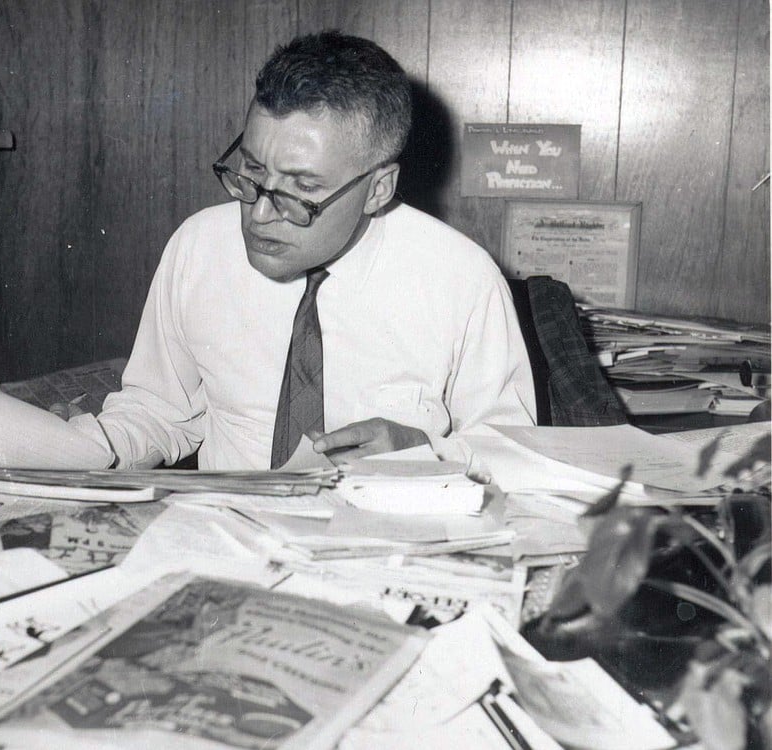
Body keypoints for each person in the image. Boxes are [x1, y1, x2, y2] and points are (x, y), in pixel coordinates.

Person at [66, 31, 536, 470]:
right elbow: (159, 410)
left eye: (302, 188)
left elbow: (515, 453)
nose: (259, 215)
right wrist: (83, 451)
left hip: (386, 545)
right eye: (252, 170)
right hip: (223, 536)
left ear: (378, 189)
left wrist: (427, 454)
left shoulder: (462, 278)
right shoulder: (198, 247)